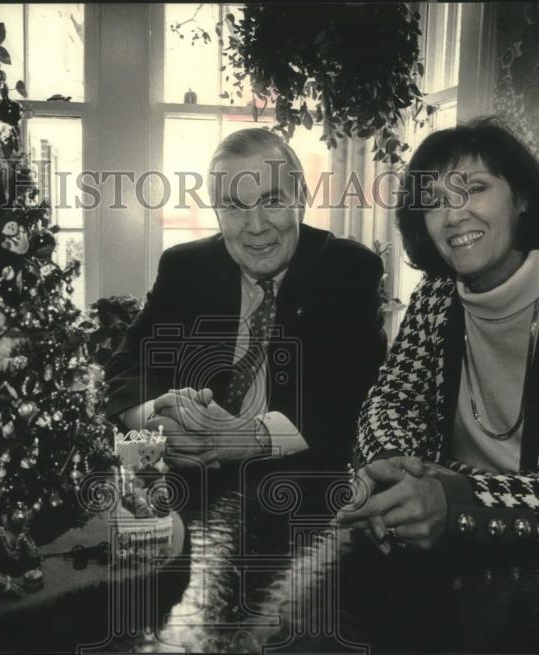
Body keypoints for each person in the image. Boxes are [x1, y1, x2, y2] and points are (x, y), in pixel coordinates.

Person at [338, 118, 539, 551]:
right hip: (445, 557)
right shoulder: (435, 298)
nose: (455, 214)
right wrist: (391, 465)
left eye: (475, 188)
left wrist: (457, 496)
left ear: (522, 198)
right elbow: (392, 400)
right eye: (434, 201)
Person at [104, 128, 386, 472]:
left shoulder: (348, 270)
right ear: (217, 212)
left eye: (272, 201)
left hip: (301, 488)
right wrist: (154, 419)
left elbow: (360, 393)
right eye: (235, 207)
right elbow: (128, 362)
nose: (255, 226)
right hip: (189, 482)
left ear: (301, 199)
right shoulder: (185, 267)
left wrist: (255, 437)